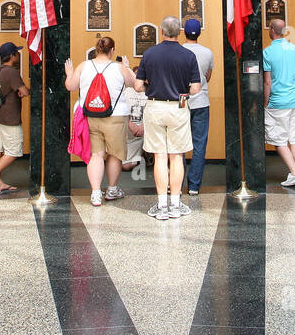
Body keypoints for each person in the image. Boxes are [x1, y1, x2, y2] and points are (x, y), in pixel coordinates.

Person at [134, 17, 201, 220]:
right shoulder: (188, 55)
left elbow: (137, 86)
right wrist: (184, 93)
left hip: (155, 106)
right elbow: (196, 88)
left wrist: (149, 87)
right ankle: (176, 203)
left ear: (162, 31)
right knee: (176, 155)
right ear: (179, 32)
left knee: (160, 156)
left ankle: (162, 205)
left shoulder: (149, 54)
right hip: (178, 108)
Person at [65, 36, 136, 206]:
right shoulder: (119, 68)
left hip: (91, 116)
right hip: (116, 117)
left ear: (96, 50)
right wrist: (127, 67)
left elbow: (70, 86)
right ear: (112, 51)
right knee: (115, 154)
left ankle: (96, 193)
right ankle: (112, 189)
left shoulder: (84, 66)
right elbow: (134, 84)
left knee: (96, 154)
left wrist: (69, 74)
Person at [262, 18, 295, 186]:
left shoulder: (267, 52)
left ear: (272, 30)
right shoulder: (294, 49)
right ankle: (293, 173)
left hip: (278, 102)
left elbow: (268, 82)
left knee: (279, 139)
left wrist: (266, 102)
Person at [0, 42, 29, 195]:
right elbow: (24, 91)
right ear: (11, 56)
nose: (18, 55)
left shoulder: (1, 71)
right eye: (16, 53)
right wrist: (25, 90)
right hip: (10, 118)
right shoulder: (11, 72)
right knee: (14, 151)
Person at [182, 18, 215, 195]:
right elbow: (207, 77)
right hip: (201, 102)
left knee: (178, 144)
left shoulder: (178, 51)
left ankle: (177, 184)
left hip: (181, 103)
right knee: (199, 144)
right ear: (199, 33)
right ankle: (194, 186)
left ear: (183, 32)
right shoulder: (207, 53)